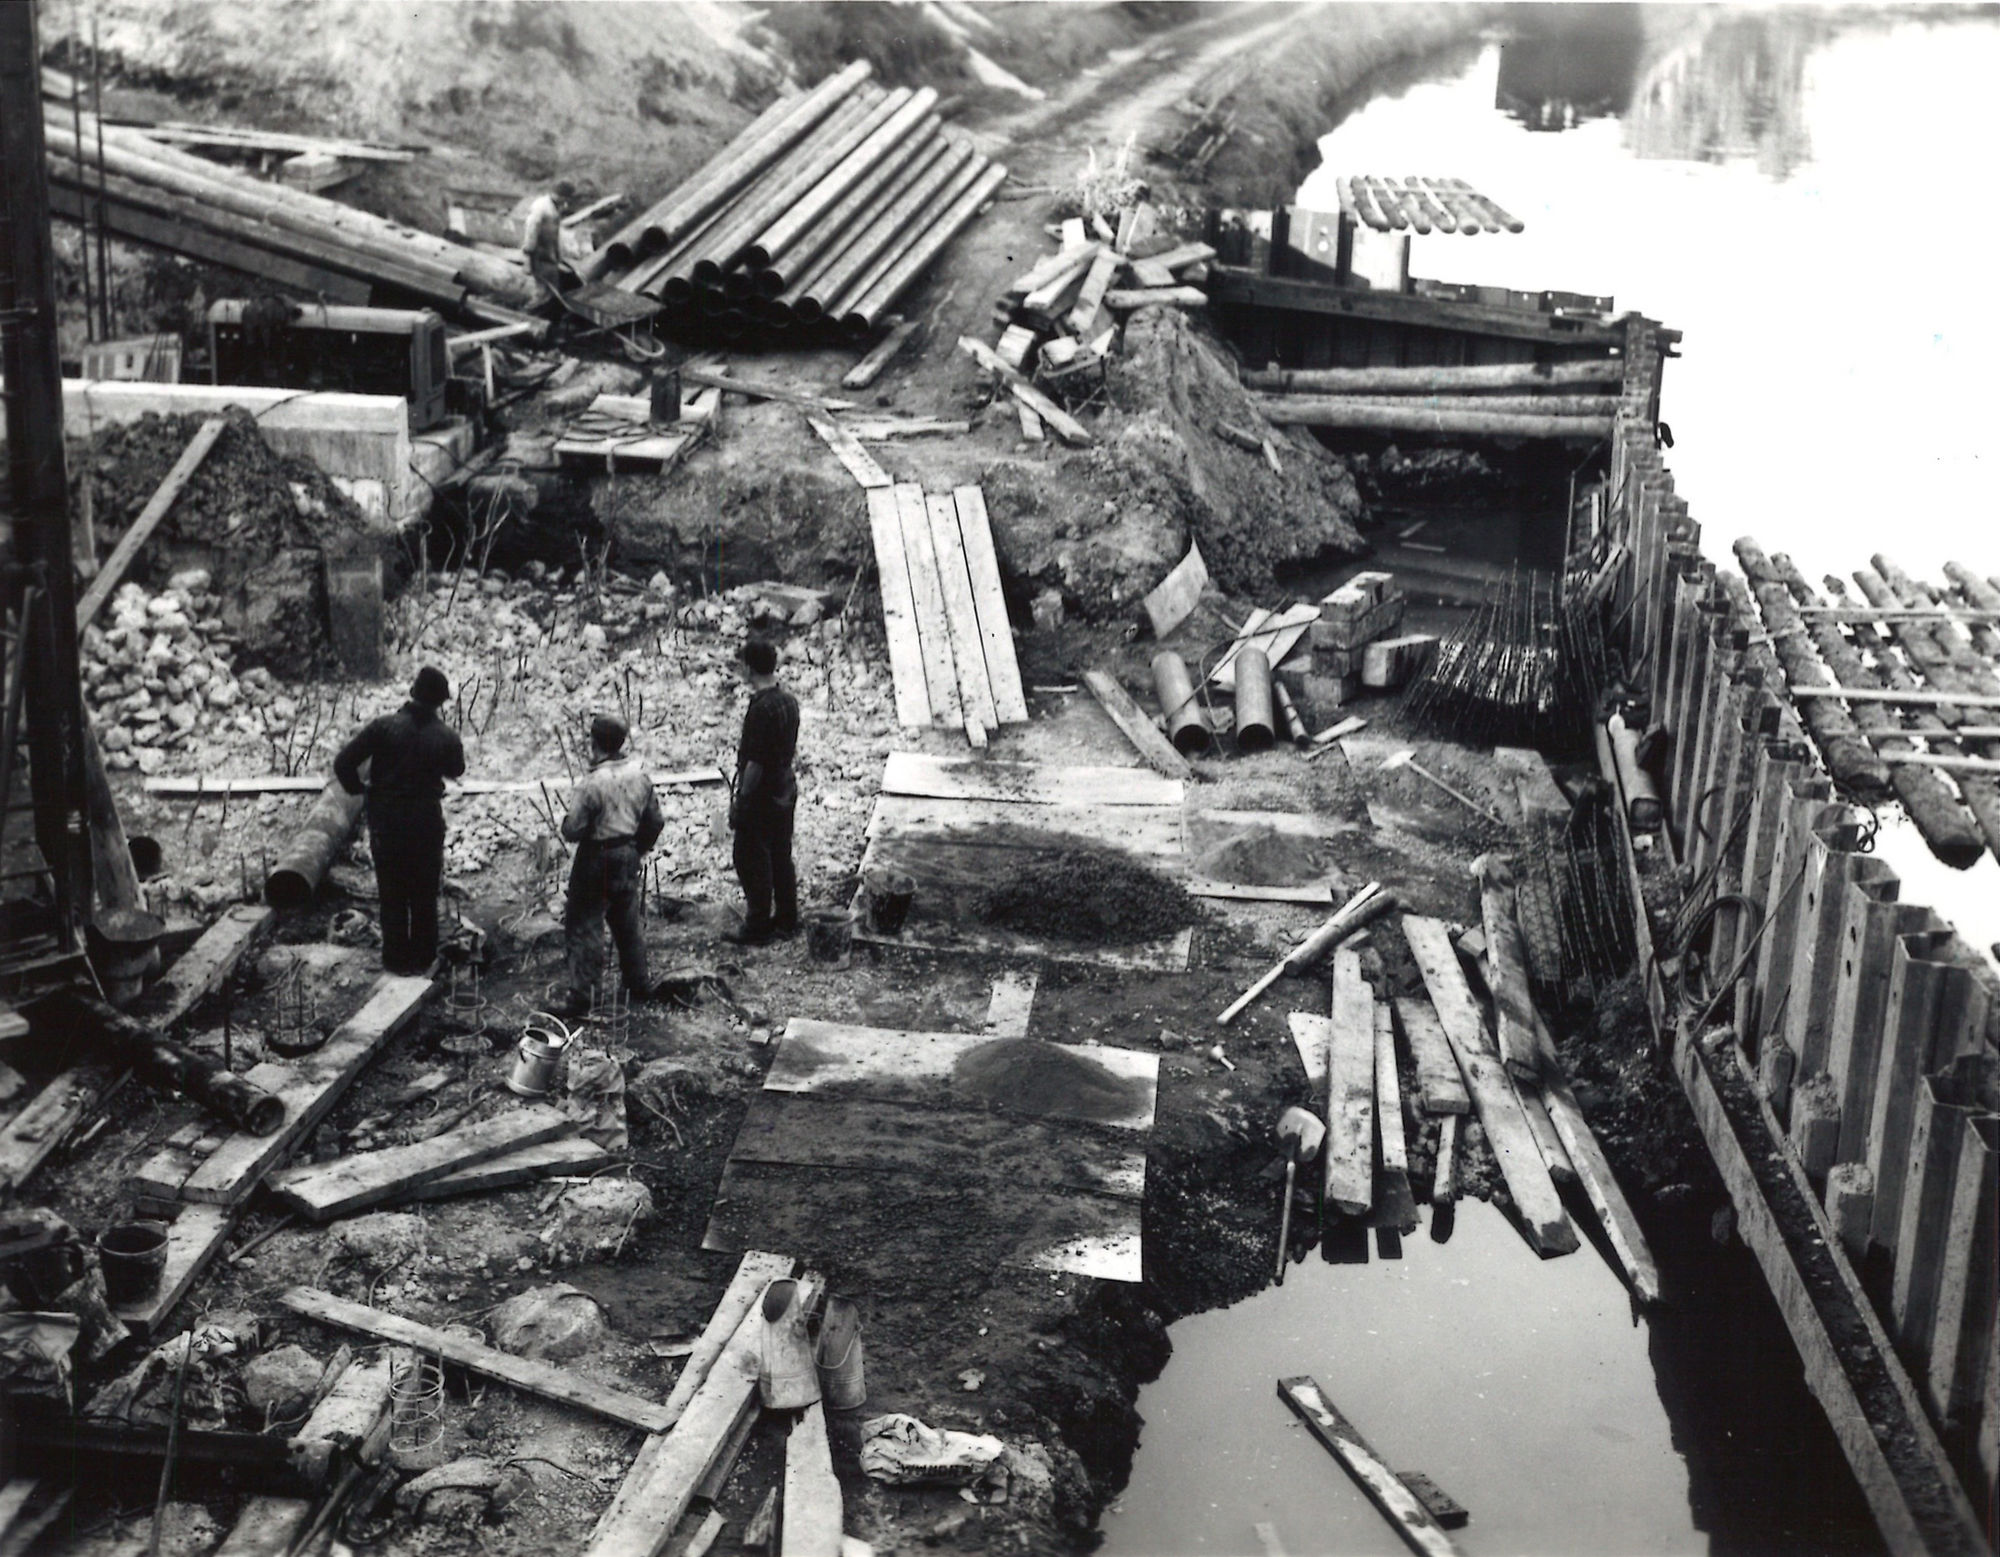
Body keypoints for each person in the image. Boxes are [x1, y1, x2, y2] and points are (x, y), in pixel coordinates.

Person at [333, 666, 465, 976]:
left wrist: (361, 791)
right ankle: (422, 960)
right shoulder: (446, 736)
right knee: (424, 892)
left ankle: (395, 960)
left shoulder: (383, 727)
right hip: (425, 822)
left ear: (413, 693)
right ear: (440, 702)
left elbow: (343, 763)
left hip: (387, 821)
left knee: (391, 892)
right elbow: (457, 770)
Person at [554, 714, 665, 1017]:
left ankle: (583, 998)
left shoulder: (590, 784)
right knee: (628, 923)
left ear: (595, 743)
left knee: (585, 926)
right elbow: (655, 820)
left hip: (595, 857)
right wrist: (636, 849)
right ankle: (638, 983)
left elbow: (573, 829)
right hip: (626, 851)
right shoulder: (639, 775)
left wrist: (566, 824)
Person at [726, 638, 799, 947]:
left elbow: (755, 763)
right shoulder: (788, 700)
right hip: (784, 788)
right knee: (781, 855)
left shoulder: (760, 708)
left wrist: (741, 799)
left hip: (762, 794)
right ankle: (787, 919)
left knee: (749, 857)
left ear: (749, 668)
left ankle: (757, 925)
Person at [522, 179, 576, 295]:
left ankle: (544, 308)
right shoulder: (541, 206)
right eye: (566, 198)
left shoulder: (556, 207)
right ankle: (533, 310)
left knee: (551, 287)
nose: (567, 201)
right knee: (543, 289)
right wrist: (529, 253)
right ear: (561, 196)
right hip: (539, 254)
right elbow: (531, 229)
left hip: (549, 254)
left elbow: (555, 233)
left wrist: (558, 255)